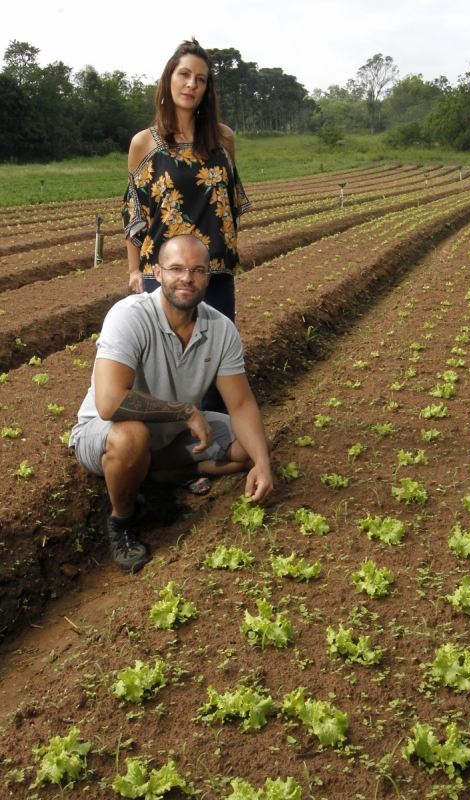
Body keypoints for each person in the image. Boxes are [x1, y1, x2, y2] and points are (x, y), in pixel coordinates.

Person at [69, 234, 273, 574]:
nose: (186, 278)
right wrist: (185, 410)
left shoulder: (220, 329)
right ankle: (123, 522)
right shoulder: (129, 316)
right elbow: (109, 402)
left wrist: (263, 464)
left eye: (197, 270)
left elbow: (240, 404)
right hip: (105, 434)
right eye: (176, 268)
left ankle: (154, 478)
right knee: (132, 437)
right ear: (157, 272)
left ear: (209, 276)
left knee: (250, 450)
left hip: (171, 434)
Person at [122, 38, 250, 424]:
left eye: (200, 79)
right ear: (169, 80)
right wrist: (134, 270)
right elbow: (134, 213)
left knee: (211, 361)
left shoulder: (223, 139)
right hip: (163, 272)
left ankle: (204, 451)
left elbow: (228, 204)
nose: (191, 84)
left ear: (207, 89)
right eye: (184, 75)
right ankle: (160, 455)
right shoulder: (145, 143)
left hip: (214, 273)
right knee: (161, 364)